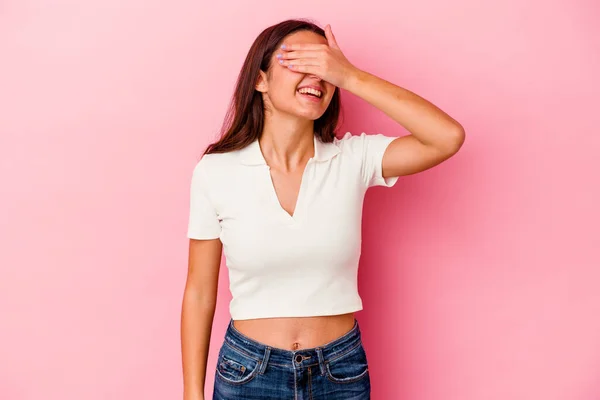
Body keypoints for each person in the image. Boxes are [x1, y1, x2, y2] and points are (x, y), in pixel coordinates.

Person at [181, 19, 465, 400]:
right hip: (248, 373)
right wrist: (191, 394)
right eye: (299, 61)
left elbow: (447, 137)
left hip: (340, 372)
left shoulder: (352, 159)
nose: (318, 75)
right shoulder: (216, 172)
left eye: (325, 65)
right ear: (260, 80)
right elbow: (199, 292)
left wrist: (350, 76)